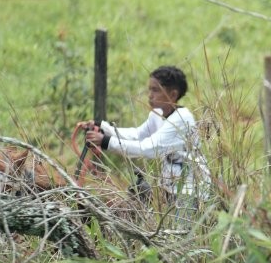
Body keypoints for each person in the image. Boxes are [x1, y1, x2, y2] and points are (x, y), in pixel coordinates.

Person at [80, 65, 211, 224]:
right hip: (171, 185)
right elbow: (137, 135)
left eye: (155, 90)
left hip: (190, 190)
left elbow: (148, 149)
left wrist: (105, 141)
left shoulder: (182, 119)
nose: (150, 95)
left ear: (173, 94)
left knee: (179, 232)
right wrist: (103, 128)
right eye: (150, 89)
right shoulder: (158, 114)